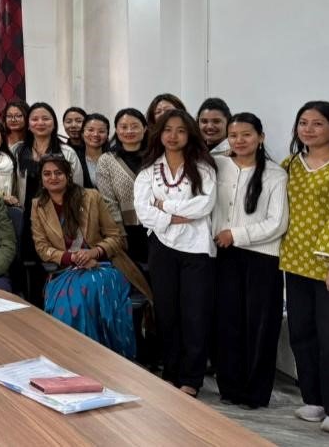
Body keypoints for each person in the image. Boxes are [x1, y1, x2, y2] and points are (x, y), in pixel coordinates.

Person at [32, 155, 151, 358]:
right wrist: (72, 258)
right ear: (41, 179)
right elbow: (42, 248)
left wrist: (94, 252)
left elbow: (116, 237)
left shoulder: (91, 197)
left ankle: (102, 357)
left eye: (58, 173)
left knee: (88, 291)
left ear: (68, 176)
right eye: (47, 174)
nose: (53, 178)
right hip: (66, 270)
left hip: (104, 266)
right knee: (72, 303)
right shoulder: (38, 206)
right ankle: (72, 356)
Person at [134, 109, 216, 397]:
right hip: (161, 247)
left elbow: (203, 206)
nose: (173, 136)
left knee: (194, 314)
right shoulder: (149, 170)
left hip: (196, 249)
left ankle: (191, 378)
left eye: (180, 130)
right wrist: (176, 216)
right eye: (168, 130)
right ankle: (170, 372)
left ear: (189, 134)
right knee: (166, 313)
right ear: (159, 133)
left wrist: (164, 207)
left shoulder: (203, 168)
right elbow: (143, 211)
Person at [212, 113, 288, 410]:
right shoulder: (217, 165)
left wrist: (235, 234)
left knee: (260, 326)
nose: (239, 140)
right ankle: (229, 387)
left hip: (261, 258)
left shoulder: (275, 174)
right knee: (227, 322)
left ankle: (255, 393)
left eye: (246, 134)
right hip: (223, 255)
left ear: (260, 137)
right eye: (233, 135)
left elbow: (277, 222)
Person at [279, 100, 329, 432]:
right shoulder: (290, 165)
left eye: (318, 123)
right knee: (301, 334)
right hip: (294, 261)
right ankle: (313, 400)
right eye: (303, 123)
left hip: (326, 265)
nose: (308, 129)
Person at [12, 103, 83, 297]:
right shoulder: (18, 151)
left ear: (54, 123)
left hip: (60, 217)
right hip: (28, 217)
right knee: (30, 266)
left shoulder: (67, 152)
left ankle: (59, 305)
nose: (40, 123)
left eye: (46, 118)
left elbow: (78, 189)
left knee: (58, 263)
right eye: (35, 119)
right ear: (28, 124)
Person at [96, 108, 152, 267]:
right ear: (116, 130)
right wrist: (119, 232)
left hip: (157, 228)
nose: (129, 131)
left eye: (135, 126)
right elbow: (108, 201)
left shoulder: (155, 156)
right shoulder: (106, 160)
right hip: (127, 231)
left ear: (145, 129)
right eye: (123, 126)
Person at [77, 113, 110, 189]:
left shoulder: (114, 158)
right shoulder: (76, 158)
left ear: (107, 135)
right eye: (90, 130)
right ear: (82, 133)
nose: (95, 134)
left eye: (101, 131)